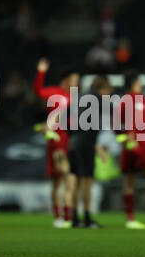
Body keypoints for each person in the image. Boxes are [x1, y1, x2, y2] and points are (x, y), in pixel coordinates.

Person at [33, 58, 78, 229]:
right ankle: (59, 216)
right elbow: (37, 91)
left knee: (67, 179)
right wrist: (41, 72)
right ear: (66, 79)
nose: (76, 83)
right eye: (74, 80)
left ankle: (66, 216)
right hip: (55, 140)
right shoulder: (54, 92)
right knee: (59, 179)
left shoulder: (73, 97)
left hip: (68, 140)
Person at [116, 71, 145, 229]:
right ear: (134, 83)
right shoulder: (126, 100)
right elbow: (116, 125)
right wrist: (126, 134)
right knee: (130, 180)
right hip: (134, 147)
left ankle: (134, 216)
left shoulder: (143, 100)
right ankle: (130, 218)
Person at [69, 75, 111, 229]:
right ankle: (86, 218)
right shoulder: (97, 99)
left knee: (77, 182)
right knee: (87, 183)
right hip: (85, 145)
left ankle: (74, 218)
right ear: (103, 89)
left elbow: (64, 116)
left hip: (73, 145)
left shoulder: (79, 98)